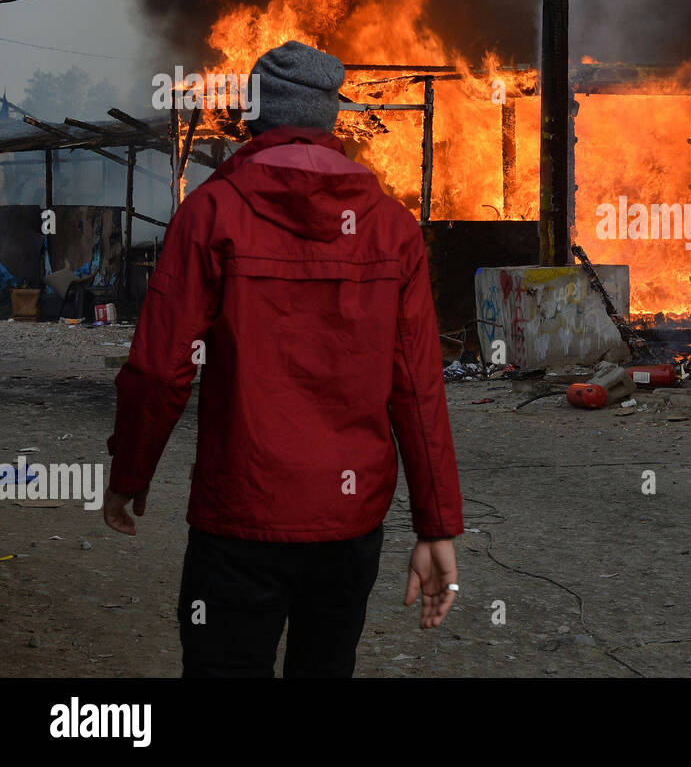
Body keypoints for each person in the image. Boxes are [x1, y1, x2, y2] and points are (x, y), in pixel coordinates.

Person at [103, 40, 463, 677]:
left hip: (241, 515)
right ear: (331, 118)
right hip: (348, 525)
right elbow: (416, 386)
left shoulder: (211, 211)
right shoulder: (393, 228)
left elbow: (162, 368)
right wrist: (436, 526)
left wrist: (131, 472)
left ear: (255, 115)